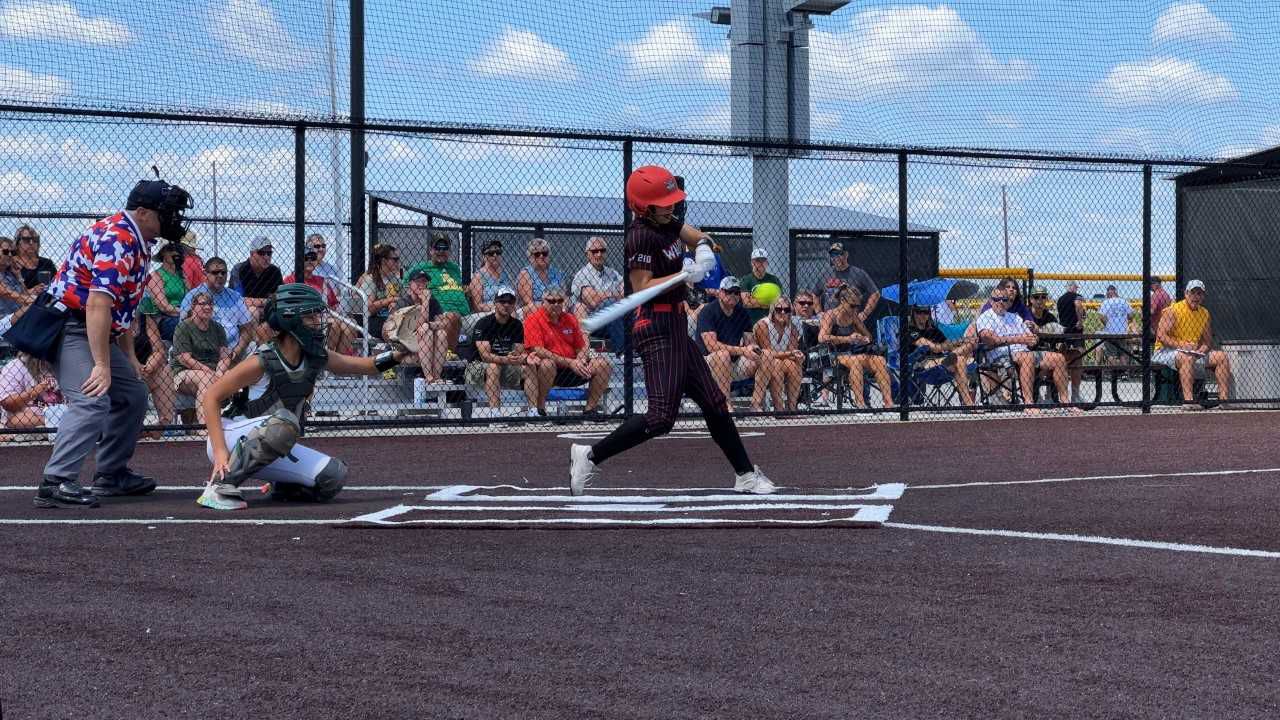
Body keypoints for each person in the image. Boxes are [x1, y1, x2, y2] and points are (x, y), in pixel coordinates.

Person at [568, 165, 775, 496]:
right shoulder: (640, 235)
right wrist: (685, 274)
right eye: (664, 202)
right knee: (661, 418)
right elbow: (641, 286)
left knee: (714, 402)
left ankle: (745, 474)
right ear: (644, 206)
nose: (672, 206)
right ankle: (588, 456)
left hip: (676, 325)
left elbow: (693, 234)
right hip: (656, 327)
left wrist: (704, 246)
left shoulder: (667, 221)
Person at [35, 179, 192, 507]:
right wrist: (103, 365)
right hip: (69, 326)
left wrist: (128, 356)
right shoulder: (120, 237)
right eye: (165, 212)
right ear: (143, 212)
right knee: (93, 399)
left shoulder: (138, 239)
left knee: (132, 394)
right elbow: (96, 304)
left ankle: (110, 473)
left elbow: (122, 308)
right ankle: (56, 481)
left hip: (92, 327)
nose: (172, 218)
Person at [198, 283, 410, 509]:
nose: (320, 322)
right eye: (311, 317)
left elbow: (366, 366)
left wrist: (400, 353)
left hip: (272, 437)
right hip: (230, 437)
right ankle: (219, 487)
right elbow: (211, 397)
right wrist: (220, 452)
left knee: (333, 476)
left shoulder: (314, 355)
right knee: (285, 424)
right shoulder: (262, 360)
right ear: (290, 320)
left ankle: (281, 485)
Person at [975, 288, 1076, 413]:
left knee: (1059, 358)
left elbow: (1029, 336)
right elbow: (990, 339)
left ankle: (1065, 402)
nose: (1001, 302)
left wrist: (1032, 338)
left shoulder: (1014, 317)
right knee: (1027, 357)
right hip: (1000, 353)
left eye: (1005, 299)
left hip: (1023, 352)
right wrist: (1020, 339)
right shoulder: (986, 317)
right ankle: (1029, 403)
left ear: (1008, 302)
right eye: (997, 299)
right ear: (991, 301)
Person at [524, 286, 610, 417]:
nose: (556, 304)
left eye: (559, 301)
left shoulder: (570, 318)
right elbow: (538, 350)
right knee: (547, 364)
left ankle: (589, 410)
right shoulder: (533, 319)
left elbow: (581, 346)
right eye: (551, 301)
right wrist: (570, 362)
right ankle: (540, 408)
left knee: (603, 364)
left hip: (573, 368)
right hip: (550, 371)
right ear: (543, 302)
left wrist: (580, 359)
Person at [1153, 280, 1233, 410]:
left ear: (1203, 296)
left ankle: (1224, 400)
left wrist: (1201, 350)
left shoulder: (1204, 313)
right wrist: (1181, 345)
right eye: (1193, 293)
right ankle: (1189, 401)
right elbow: (1161, 336)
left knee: (1222, 356)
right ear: (1186, 294)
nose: (1196, 297)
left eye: (1199, 293)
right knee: (1187, 358)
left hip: (1193, 352)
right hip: (1165, 351)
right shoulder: (1173, 310)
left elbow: (1207, 341)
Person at [697, 276, 768, 412]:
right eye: (729, 292)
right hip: (707, 364)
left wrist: (754, 348)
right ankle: (725, 404)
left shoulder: (742, 313)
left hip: (734, 364)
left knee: (767, 356)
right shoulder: (708, 311)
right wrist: (742, 351)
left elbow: (749, 342)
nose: (733, 296)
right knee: (723, 355)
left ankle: (756, 404)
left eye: (736, 292)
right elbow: (711, 346)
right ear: (721, 292)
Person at [463, 286, 539, 412]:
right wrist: (507, 359)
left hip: (506, 365)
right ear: (495, 303)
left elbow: (518, 351)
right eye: (502, 301)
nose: (506, 305)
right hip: (478, 367)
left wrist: (524, 358)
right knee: (493, 366)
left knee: (530, 366)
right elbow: (485, 356)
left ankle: (534, 412)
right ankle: (495, 413)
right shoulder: (483, 324)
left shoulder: (517, 325)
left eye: (510, 302)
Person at [818, 284, 894, 409]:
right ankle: (860, 403)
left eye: (858, 306)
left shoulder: (853, 317)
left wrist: (863, 339)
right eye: (852, 306)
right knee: (856, 361)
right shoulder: (830, 315)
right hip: (831, 354)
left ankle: (888, 402)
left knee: (880, 360)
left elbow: (868, 336)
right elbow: (822, 338)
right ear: (842, 301)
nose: (855, 309)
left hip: (851, 354)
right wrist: (847, 339)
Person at [179, 256, 254, 361]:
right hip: (203, 351)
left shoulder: (235, 297)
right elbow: (184, 329)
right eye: (215, 272)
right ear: (205, 274)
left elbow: (247, 329)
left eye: (223, 273)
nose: (220, 276)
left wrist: (235, 352)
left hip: (233, 349)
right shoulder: (192, 296)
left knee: (254, 348)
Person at [171, 290, 231, 422]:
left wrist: (220, 371)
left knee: (233, 375)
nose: (208, 307)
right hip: (185, 372)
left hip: (214, 371)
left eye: (210, 304)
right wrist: (210, 372)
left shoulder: (217, 327)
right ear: (193, 307)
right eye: (203, 304)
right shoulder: (183, 327)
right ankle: (205, 427)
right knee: (205, 379)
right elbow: (185, 359)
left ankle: (233, 420)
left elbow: (225, 356)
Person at [285, 250, 354, 354]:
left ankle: (337, 365)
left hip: (325, 315)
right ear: (298, 261)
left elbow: (334, 304)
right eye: (305, 258)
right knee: (334, 324)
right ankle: (326, 360)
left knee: (350, 325)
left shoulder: (322, 280)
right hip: (304, 318)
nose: (309, 261)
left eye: (312, 258)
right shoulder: (290, 280)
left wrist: (331, 310)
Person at [906, 304, 975, 407]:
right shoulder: (911, 330)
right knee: (960, 359)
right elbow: (934, 348)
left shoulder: (933, 329)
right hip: (922, 365)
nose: (922, 315)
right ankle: (968, 403)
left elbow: (947, 344)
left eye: (925, 312)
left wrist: (962, 344)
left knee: (963, 357)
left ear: (929, 314)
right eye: (919, 312)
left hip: (942, 362)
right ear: (913, 313)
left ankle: (967, 402)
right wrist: (961, 341)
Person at [570, 236, 626, 352]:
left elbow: (626, 292)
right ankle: (622, 352)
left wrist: (606, 295)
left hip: (613, 319)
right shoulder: (581, 275)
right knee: (611, 304)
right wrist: (615, 295)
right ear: (587, 254)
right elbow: (593, 300)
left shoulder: (613, 273)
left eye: (602, 251)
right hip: (594, 322)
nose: (599, 254)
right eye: (594, 251)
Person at [392, 268, 448, 382]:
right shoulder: (403, 302)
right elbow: (414, 327)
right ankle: (429, 377)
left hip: (426, 343)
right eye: (418, 282)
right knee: (425, 331)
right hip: (404, 343)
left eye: (424, 282)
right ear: (410, 284)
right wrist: (425, 303)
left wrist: (429, 325)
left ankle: (437, 377)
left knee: (441, 333)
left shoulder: (432, 300)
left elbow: (443, 323)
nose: (421, 285)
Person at [752, 295, 804, 411]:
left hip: (781, 360)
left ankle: (792, 407)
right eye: (778, 309)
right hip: (761, 361)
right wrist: (791, 353)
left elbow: (792, 352)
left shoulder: (793, 328)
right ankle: (779, 408)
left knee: (793, 365)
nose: (782, 312)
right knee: (775, 363)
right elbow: (767, 352)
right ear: (772, 310)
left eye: (786, 310)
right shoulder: (763, 325)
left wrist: (798, 356)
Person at [0, 352, 65, 438]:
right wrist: (34, 391)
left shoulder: (61, 364)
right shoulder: (15, 366)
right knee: (17, 419)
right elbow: (7, 403)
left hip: (60, 415)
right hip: (31, 421)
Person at [138, 241, 188, 343]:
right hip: (164, 319)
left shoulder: (182, 276)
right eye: (171, 249)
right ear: (163, 253)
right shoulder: (156, 275)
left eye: (178, 249)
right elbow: (163, 306)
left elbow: (190, 298)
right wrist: (185, 312)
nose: (175, 252)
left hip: (182, 314)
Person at [815, 240, 879, 315]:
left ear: (846, 254)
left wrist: (865, 313)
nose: (836, 257)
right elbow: (815, 294)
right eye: (833, 255)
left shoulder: (859, 273)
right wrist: (819, 312)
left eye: (839, 254)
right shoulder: (826, 274)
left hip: (851, 320)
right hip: (829, 320)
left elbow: (875, 294)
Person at [355, 243, 402, 342]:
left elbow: (398, 298)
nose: (398, 262)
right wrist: (389, 300)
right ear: (384, 260)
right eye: (395, 259)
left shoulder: (394, 279)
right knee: (391, 327)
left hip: (390, 316)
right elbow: (369, 309)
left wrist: (394, 303)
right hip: (371, 320)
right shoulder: (370, 279)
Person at [230, 236, 284, 314]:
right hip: (243, 314)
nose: (266, 257)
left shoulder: (275, 271)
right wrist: (267, 301)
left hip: (269, 314)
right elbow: (238, 301)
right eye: (261, 253)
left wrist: (255, 302)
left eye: (269, 253)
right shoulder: (239, 269)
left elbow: (279, 301)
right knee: (253, 312)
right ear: (252, 254)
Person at [516, 237, 567, 317]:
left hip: (556, 305)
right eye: (537, 254)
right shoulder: (525, 274)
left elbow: (564, 296)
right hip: (534, 309)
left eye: (544, 253)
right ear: (530, 257)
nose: (541, 256)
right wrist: (548, 307)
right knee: (531, 308)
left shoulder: (557, 273)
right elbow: (528, 302)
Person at [1055, 280, 1087, 402]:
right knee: (1078, 359)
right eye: (1076, 287)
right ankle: (1075, 394)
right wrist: (1080, 320)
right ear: (1073, 287)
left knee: (1063, 361)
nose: (1077, 289)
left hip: (1064, 331)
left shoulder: (1060, 299)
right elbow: (1078, 305)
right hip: (1075, 331)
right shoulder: (1076, 296)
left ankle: (1061, 393)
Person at [739, 247, 785, 325]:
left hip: (771, 322)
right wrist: (769, 302)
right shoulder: (746, 280)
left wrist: (755, 300)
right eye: (757, 260)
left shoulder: (774, 280)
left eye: (763, 260)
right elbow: (746, 302)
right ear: (752, 262)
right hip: (751, 322)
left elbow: (780, 301)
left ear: (767, 263)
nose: (760, 263)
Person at [467, 239, 510, 314]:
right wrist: (497, 307)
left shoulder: (505, 274)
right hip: (488, 312)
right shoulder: (478, 276)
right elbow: (477, 306)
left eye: (498, 252)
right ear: (484, 257)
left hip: (506, 309)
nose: (495, 255)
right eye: (491, 253)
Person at [12, 224, 56, 290]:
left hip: (46, 298)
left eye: (35, 239)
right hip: (19, 299)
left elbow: (57, 283)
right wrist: (31, 291)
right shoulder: (11, 262)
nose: (31, 243)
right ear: (17, 243)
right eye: (26, 239)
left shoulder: (46, 263)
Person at [1098, 284, 1134, 365]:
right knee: (1122, 353)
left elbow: (1101, 316)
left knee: (1111, 354)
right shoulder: (1123, 301)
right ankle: (1124, 373)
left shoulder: (1106, 302)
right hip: (1122, 331)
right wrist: (1126, 322)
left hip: (1110, 332)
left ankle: (1116, 371)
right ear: (1115, 291)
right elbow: (1131, 315)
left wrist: (1107, 324)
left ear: (1108, 293)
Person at [0, 236, 34, 316]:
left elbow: (25, 294)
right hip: (3, 320)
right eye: (5, 252)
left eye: (12, 253)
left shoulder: (10, 272)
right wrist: (31, 300)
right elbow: (6, 292)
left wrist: (19, 276)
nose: (10, 255)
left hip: (18, 312)